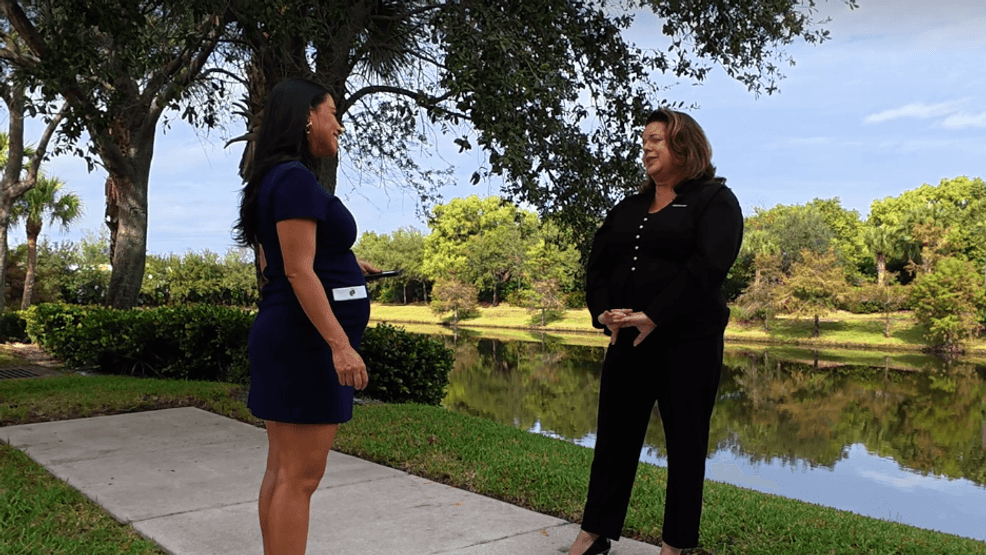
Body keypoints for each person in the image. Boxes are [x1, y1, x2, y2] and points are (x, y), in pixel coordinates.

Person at [567, 108, 743, 555]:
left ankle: (675, 546)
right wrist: (603, 312)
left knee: (685, 446)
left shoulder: (715, 201)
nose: (646, 146)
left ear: (685, 147)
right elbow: (598, 265)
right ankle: (593, 534)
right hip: (628, 341)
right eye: (644, 140)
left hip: (689, 344)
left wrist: (656, 315)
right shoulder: (628, 207)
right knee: (613, 440)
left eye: (657, 139)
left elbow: (709, 267)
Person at [233, 77, 379, 555]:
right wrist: (341, 345)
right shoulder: (295, 178)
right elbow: (297, 272)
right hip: (306, 343)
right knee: (301, 477)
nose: (339, 124)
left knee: (281, 471)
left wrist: (344, 264)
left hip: (286, 333)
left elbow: (276, 261)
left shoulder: (270, 180)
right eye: (332, 113)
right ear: (306, 118)